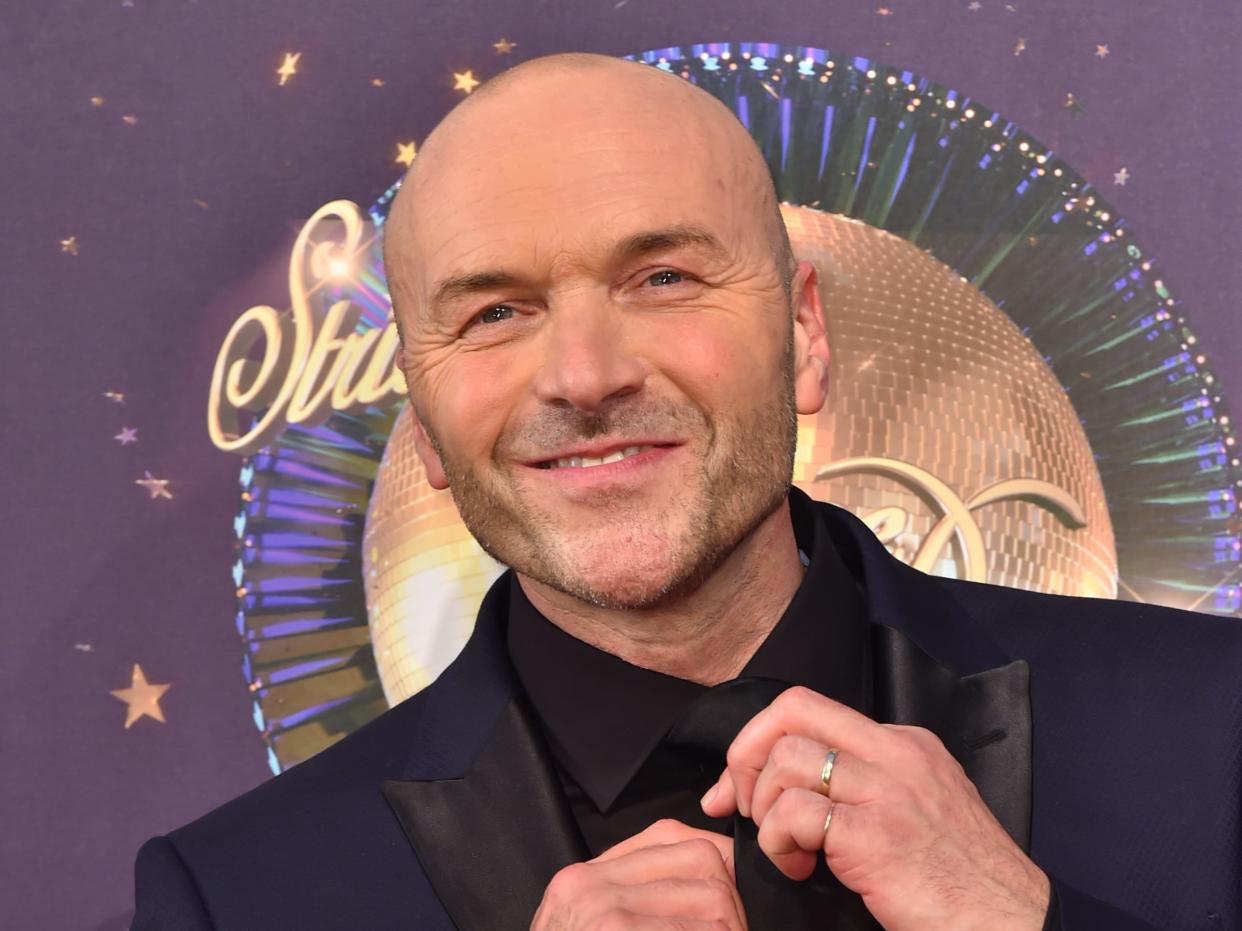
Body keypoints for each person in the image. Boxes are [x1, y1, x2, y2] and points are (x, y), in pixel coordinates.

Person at [132, 52, 1241, 930]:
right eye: (494, 313)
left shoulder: (1210, 726)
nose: (585, 376)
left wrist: (1025, 923)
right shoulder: (240, 895)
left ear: (803, 331)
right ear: (422, 416)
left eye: (661, 278)